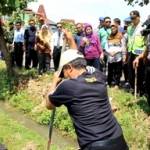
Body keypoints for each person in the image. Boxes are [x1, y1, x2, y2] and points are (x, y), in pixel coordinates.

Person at [46, 49, 128, 150]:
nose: (64, 75)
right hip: (118, 139)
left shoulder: (68, 86)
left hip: (95, 144)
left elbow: (49, 105)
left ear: (69, 68)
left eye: (63, 71)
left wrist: (54, 81)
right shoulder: (99, 76)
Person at [125, 10, 146, 95]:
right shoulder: (130, 28)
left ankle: (140, 90)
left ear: (138, 17)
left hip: (140, 52)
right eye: (131, 18)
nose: (132, 20)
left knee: (140, 72)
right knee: (131, 71)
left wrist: (143, 54)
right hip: (131, 52)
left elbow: (145, 42)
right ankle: (133, 88)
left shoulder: (143, 27)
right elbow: (128, 40)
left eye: (134, 18)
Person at [133, 16, 150, 106]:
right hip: (148, 64)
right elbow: (147, 50)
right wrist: (138, 58)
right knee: (147, 86)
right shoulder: (148, 36)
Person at [106, 22, 123, 87]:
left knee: (117, 71)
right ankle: (109, 83)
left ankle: (117, 84)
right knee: (110, 71)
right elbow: (106, 46)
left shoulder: (120, 36)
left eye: (114, 28)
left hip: (118, 57)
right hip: (110, 57)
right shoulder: (109, 36)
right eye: (111, 29)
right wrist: (109, 52)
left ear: (116, 28)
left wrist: (116, 52)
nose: (113, 30)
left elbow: (122, 46)